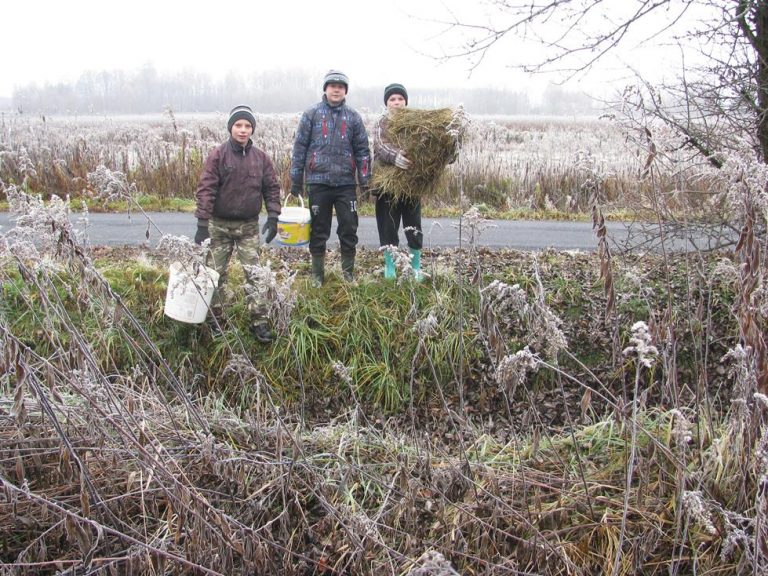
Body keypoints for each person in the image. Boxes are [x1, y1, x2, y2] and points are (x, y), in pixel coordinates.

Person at [194, 105, 282, 343]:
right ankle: (216, 322)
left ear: (252, 129)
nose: (243, 130)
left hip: (248, 228)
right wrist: (202, 224)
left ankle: (260, 322)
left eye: (247, 126)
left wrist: (273, 216)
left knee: (255, 275)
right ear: (231, 127)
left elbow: (272, 189)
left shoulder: (261, 158)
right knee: (214, 276)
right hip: (218, 227)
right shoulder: (218, 155)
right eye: (238, 125)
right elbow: (206, 189)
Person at [289, 70, 371, 286]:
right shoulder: (311, 114)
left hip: (345, 184)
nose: (336, 89)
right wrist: (295, 181)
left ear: (345, 91)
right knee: (318, 229)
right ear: (325, 89)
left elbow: (363, 151)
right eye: (332, 85)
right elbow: (299, 149)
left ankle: (347, 274)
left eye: (341, 86)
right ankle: (317, 275)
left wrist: (365, 181)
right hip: (318, 183)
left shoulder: (354, 117)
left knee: (348, 228)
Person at [372, 83, 423, 280]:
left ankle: (415, 266)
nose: (397, 102)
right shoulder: (381, 123)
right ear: (387, 103)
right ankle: (390, 268)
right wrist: (395, 156)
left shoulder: (415, 123)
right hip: (387, 186)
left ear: (405, 101)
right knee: (388, 226)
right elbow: (380, 145)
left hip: (411, 185)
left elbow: (426, 146)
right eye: (392, 99)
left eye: (400, 99)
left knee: (414, 225)